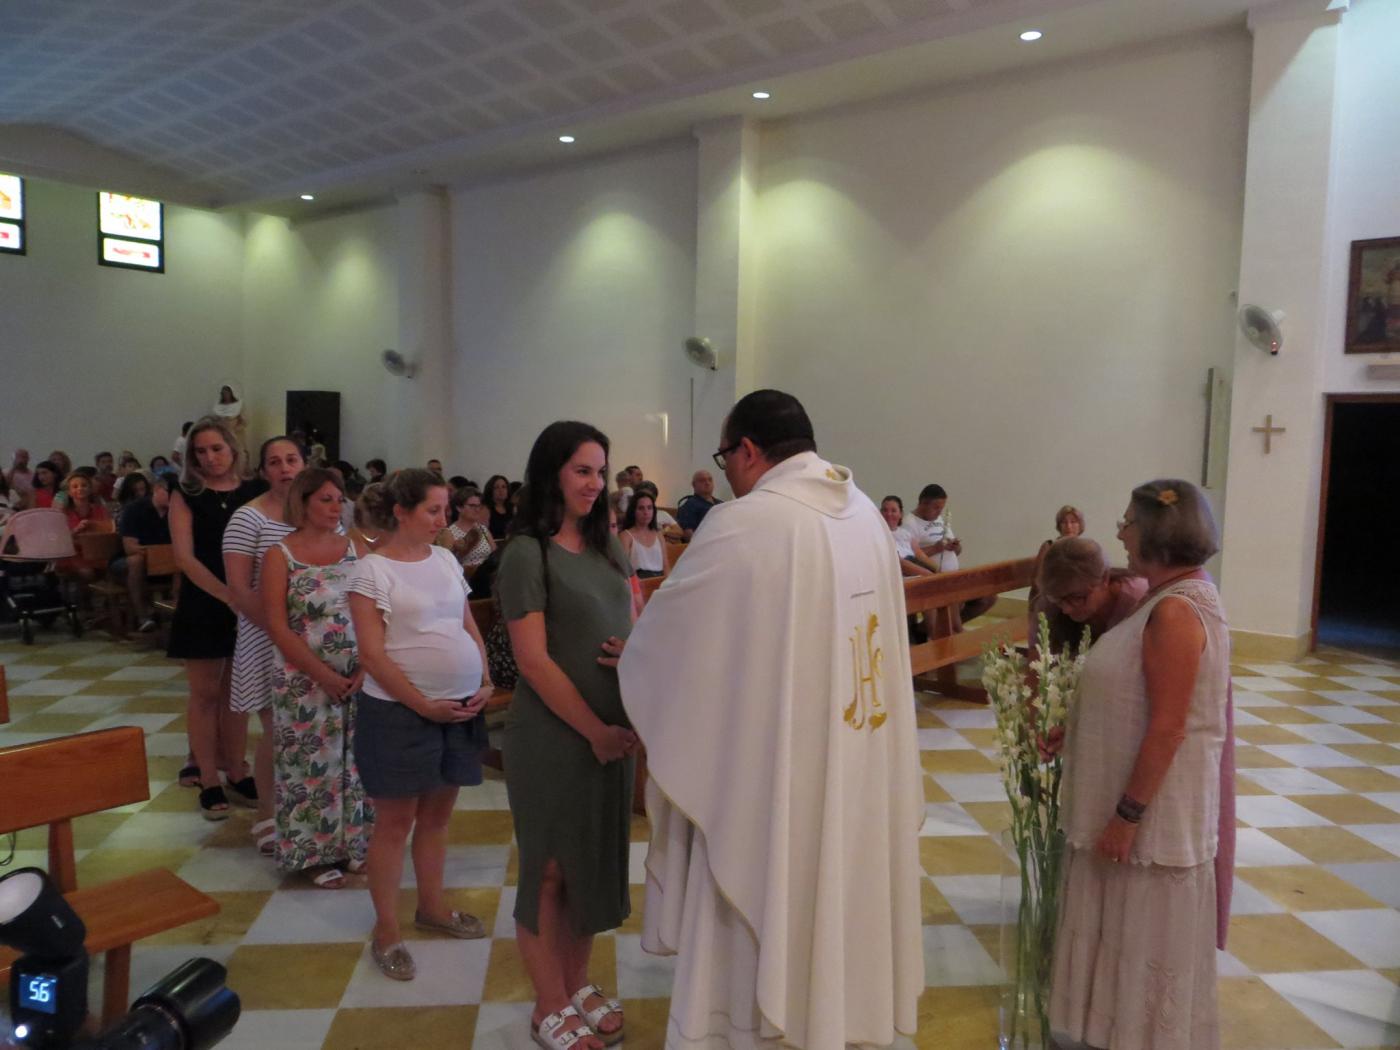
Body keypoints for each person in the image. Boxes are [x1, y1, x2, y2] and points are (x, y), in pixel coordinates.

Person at [618, 390, 923, 1050]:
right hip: (854, 761)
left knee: (759, 903)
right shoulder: (867, 516)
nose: (727, 473)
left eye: (725, 457)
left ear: (749, 450)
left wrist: (635, 658)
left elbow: (666, 645)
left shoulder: (746, 523)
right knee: (836, 896)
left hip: (772, 780)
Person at [1051, 480, 1232, 1050]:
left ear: (1156, 533)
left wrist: (1126, 817)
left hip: (1149, 825)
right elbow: (1134, 696)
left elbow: (1170, 725)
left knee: (1143, 952)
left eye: (1128, 522)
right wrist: (1074, 728)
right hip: (1134, 814)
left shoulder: (1176, 611)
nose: (1121, 533)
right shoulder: (1165, 597)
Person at [495, 422, 637, 1050]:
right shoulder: (528, 553)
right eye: (582, 470)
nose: (595, 483)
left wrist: (636, 653)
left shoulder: (610, 548)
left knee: (589, 865)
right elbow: (532, 661)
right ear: (551, 472)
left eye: (601, 471)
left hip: (611, 734)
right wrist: (595, 732)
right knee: (550, 870)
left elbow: (636, 619)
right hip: (554, 737)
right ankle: (547, 1003)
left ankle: (577, 984)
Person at [347, 470, 493, 981]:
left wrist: (485, 678)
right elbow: (372, 655)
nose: (443, 519)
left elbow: (466, 623)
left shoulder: (446, 559)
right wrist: (423, 705)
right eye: (433, 510)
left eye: (445, 509)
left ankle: (431, 907)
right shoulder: (371, 571)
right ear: (401, 512)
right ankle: (386, 930)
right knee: (394, 823)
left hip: (460, 708)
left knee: (437, 817)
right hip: (397, 712)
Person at [261, 468, 371, 888]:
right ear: (303, 502)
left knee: (356, 764)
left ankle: (353, 844)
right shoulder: (280, 555)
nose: (335, 507)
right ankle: (313, 854)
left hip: (357, 676)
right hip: (303, 680)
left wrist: (366, 666)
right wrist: (323, 674)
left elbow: (375, 609)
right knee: (310, 766)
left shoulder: (356, 547)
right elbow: (277, 625)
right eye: (325, 499)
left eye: (339, 499)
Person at [167, 417, 266, 819]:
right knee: (205, 693)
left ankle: (237, 769)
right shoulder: (186, 493)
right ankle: (208, 777)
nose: (209, 458)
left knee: (237, 694)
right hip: (204, 600)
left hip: (248, 601)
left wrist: (249, 596)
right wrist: (227, 595)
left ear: (232, 448)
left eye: (216, 449)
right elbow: (185, 557)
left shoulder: (254, 491)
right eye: (201, 452)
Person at [224, 437, 306, 853]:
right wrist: (282, 633)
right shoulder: (248, 518)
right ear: (263, 471)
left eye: (292, 460)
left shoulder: (319, 512)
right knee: (277, 729)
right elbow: (239, 590)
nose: (284, 468)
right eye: (275, 462)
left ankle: (305, 810)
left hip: (313, 640)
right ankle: (267, 814)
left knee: (307, 728)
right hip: (265, 637)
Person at [1030, 536, 1147, 656]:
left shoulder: (1139, 602)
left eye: (1077, 597)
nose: (1066, 609)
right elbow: (1037, 660)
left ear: (1104, 578)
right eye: (1058, 599)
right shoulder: (1050, 597)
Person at [904, 483, 995, 627]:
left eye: (941, 508)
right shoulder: (909, 523)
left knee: (988, 597)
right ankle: (948, 629)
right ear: (923, 503)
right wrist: (935, 548)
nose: (939, 512)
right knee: (956, 602)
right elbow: (909, 558)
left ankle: (937, 628)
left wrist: (955, 547)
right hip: (934, 579)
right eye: (936, 508)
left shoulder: (939, 519)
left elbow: (956, 551)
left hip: (953, 575)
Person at [114, 474, 171, 633]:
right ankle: (143, 616)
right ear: (157, 489)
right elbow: (130, 547)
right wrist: (160, 553)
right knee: (136, 560)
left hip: (166, 560)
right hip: (128, 560)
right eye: (170, 492)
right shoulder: (134, 509)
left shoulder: (177, 511)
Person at [880, 495, 940, 578]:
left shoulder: (905, 534)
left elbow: (920, 555)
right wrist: (930, 576)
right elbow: (900, 563)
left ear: (901, 514)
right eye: (885, 510)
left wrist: (939, 570)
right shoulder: (878, 535)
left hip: (920, 577)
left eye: (893, 511)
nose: (889, 514)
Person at [437, 487, 496, 572]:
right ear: (459, 508)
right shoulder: (449, 532)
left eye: (479, 506)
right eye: (472, 506)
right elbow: (448, 564)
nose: (477, 509)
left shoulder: (482, 529)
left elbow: (495, 554)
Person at [620, 490, 665, 579]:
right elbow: (623, 569)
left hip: (659, 579)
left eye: (649, 508)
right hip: (638, 580)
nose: (646, 512)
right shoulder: (626, 536)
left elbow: (666, 566)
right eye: (641, 508)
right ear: (633, 511)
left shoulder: (658, 535)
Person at [675, 469, 722, 538]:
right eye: (702, 480)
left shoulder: (721, 504)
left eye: (710, 480)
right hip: (705, 541)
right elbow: (688, 533)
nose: (707, 483)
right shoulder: (689, 505)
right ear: (694, 485)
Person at [483, 474, 512, 539]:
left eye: (504, 487)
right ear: (490, 491)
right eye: (496, 487)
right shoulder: (485, 509)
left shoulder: (512, 509)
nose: (501, 490)